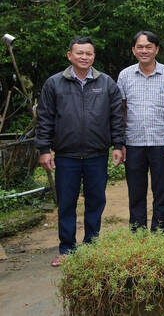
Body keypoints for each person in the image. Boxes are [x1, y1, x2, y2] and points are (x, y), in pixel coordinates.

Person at [36, 36, 124, 267]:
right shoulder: (54, 84)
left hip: (97, 154)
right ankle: (67, 249)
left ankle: (92, 246)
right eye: (80, 53)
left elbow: (116, 117)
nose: (84, 57)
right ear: (70, 56)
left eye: (89, 54)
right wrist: (44, 149)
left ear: (94, 56)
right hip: (66, 156)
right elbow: (44, 118)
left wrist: (118, 145)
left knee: (96, 202)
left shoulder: (106, 83)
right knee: (67, 203)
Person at [117, 31, 164, 232]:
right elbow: (121, 109)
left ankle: (161, 232)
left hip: (162, 142)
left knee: (161, 191)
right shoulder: (125, 75)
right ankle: (138, 233)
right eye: (140, 47)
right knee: (136, 192)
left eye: (149, 46)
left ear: (156, 49)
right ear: (134, 50)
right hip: (133, 143)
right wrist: (121, 142)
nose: (144, 51)